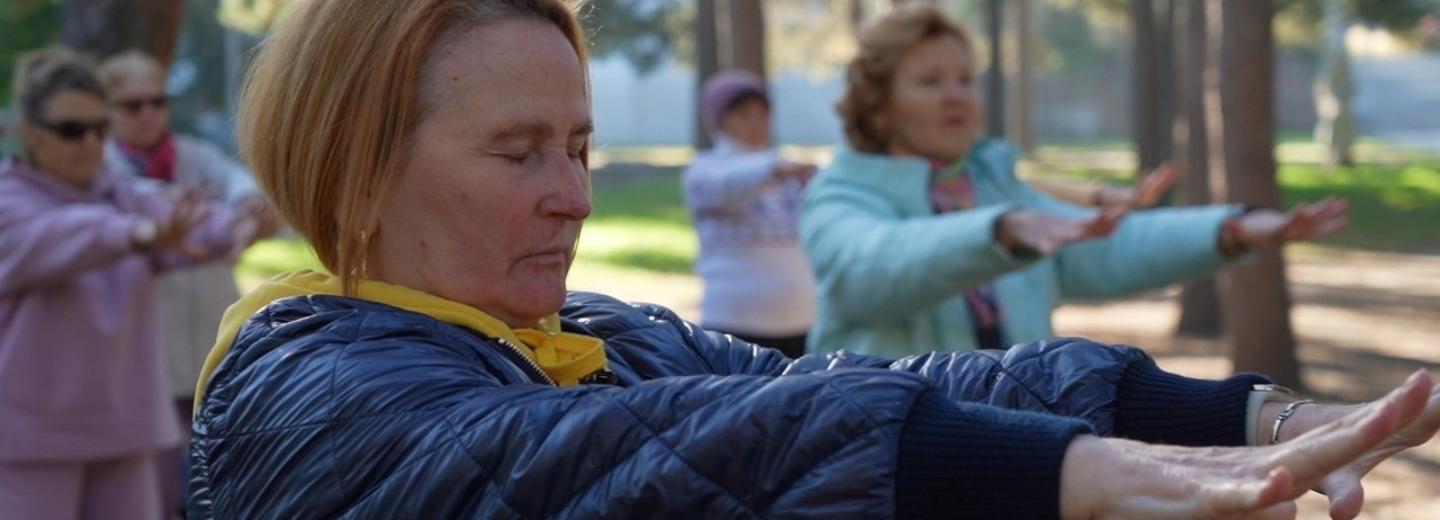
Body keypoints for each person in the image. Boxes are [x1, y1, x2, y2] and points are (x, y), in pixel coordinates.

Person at [187, 1, 1440, 518]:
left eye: (578, 145)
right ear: (356, 171)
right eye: (520, 153)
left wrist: (1246, 411)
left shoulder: (593, 335)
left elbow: (791, 392)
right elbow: (643, 456)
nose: (573, 195)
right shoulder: (313, 382)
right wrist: (1081, 470)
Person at [801, 5, 1350, 357]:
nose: (957, 95)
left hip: (1004, 453)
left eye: (965, 79)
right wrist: (1001, 231)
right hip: (880, 468)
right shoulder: (841, 194)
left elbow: (1106, 246)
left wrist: (1231, 230)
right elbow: (868, 272)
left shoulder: (993, 187)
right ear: (877, 107)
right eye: (930, 81)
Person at [0, 47, 243, 519]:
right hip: (32, 439)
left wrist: (243, 220)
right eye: (72, 130)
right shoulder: (11, 202)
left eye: (100, 128)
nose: (91, 143)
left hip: (126, 430)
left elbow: (200, 229)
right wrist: (139, 233)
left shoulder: (124, 196)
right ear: (28, 131)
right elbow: (64, 235)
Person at [97, 49, 278, 516]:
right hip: (141, 353)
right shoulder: (101, 172)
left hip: (207, 348)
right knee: (148, 491)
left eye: (157, 101)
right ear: (107, 108)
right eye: (133, 105)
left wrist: (250, 208)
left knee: (210, 482)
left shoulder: (197, 155)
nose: (149, 113)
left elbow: (243, 186)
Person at [682, 69, 816, 358]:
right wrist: (774, 167)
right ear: (720, 119)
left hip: (801, 322)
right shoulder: (705, 170)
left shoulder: (789, 173)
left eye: (762, 114)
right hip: (732, 324)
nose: (756, 123)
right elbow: (725, 185)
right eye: (743, 114)